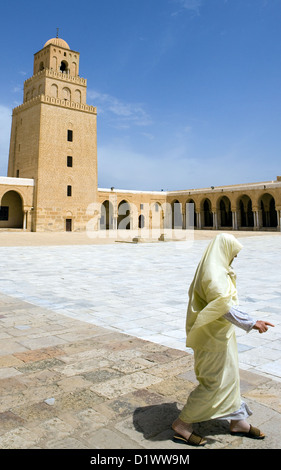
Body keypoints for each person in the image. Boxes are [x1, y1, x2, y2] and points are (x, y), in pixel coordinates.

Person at [172, 233, 274, 446]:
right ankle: (182, 424)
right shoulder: (213, 272)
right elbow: (222, 305)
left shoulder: (217, 268)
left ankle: (238, 421)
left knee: (230, 378)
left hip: (220, 335)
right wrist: (251, 322)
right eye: (233, 255)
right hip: (210, 339)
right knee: (213, 383)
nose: (233, 259)